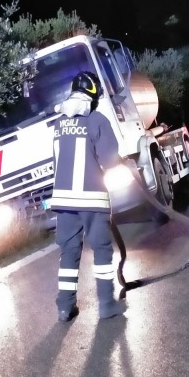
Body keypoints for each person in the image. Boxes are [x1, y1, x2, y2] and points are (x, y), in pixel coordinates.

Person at [48, 70, 128, 321]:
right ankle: (106, 304)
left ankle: (64, 306)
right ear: (93, 96)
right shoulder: (97, 120)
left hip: (63, 202)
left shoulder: (59, 124)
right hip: (92, 199)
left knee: (69, 252)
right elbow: (109, 160)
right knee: (102, 250)